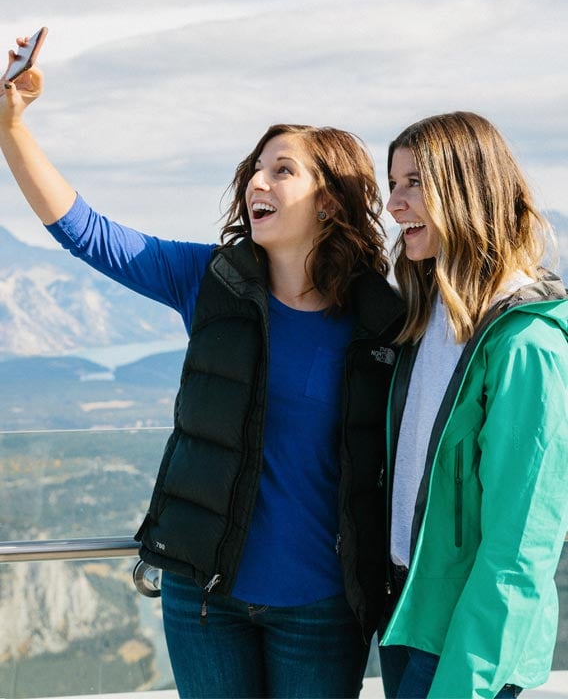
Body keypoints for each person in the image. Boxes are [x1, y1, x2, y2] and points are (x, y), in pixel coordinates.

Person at [0, 45, 404, 699]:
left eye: (283, 170)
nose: (257, 183)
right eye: (255, 169)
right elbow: (85, 231)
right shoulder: (211, 282)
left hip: (323, 609)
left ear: (329, 203)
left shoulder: (381, 319)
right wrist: (13, 127)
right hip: (205, 601)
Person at [378, 110, 568, 699]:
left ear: (467, 191)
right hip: (409, 613)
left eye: (414, 183)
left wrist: (468, 681)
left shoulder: (525, 345)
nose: (393, 204)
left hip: (467, 640)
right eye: (393, 184)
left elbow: (523, 545)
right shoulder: (425, 312)